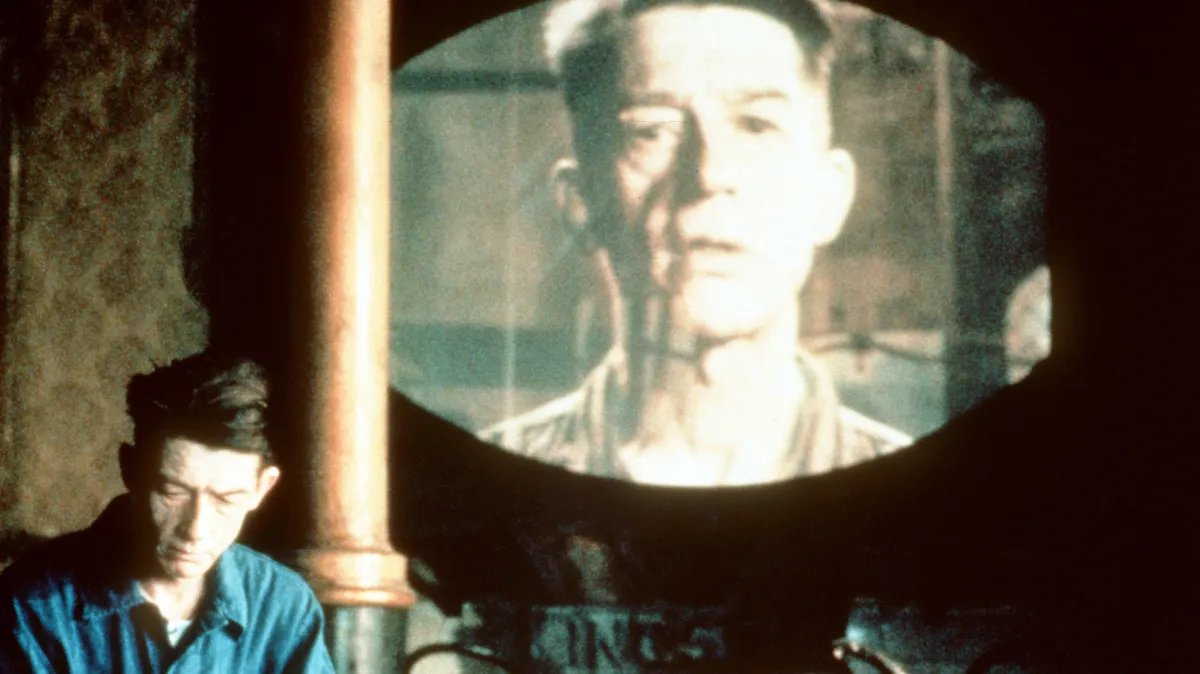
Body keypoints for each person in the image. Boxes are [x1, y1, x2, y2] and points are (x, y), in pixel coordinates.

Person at [482, 0, 910, 486]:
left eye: (757, 125)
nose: (710, 173)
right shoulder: (482, 487)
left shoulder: (933, 501)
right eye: (651, 131)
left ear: (829, 196)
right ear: (580, 205)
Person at [0, 353, 334, 673]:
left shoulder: (284, 606)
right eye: (173, 493)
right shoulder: (31, 605)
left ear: (262, 488)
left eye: (226, 500)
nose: (196, 529)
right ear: (130, 470)